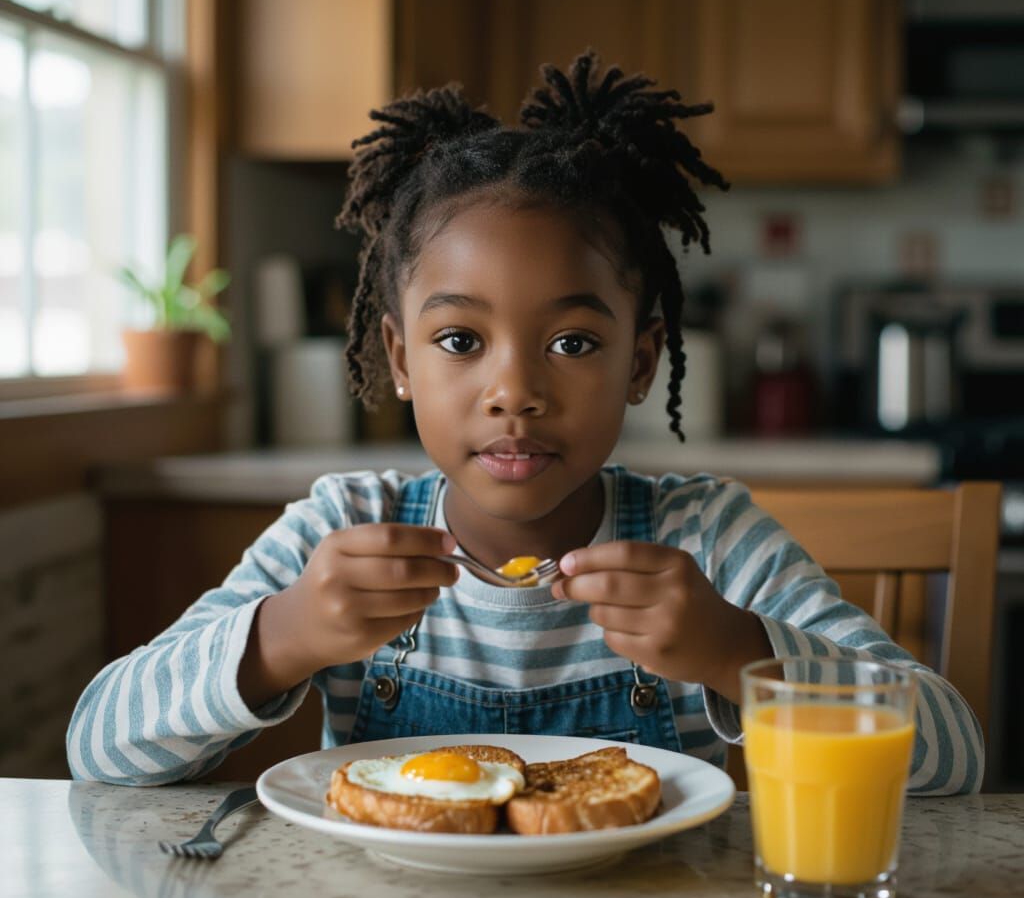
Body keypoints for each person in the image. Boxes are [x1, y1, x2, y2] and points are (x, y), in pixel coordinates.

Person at [68, 52, 983, 793]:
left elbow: (952, 756)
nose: (515, 390)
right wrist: (283, 637)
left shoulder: (709, 537)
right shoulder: (341, 527)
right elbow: (99, 749)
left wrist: (741, 654)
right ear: (398, 359)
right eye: (461, 338)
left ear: (640, 360)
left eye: (574, 343)